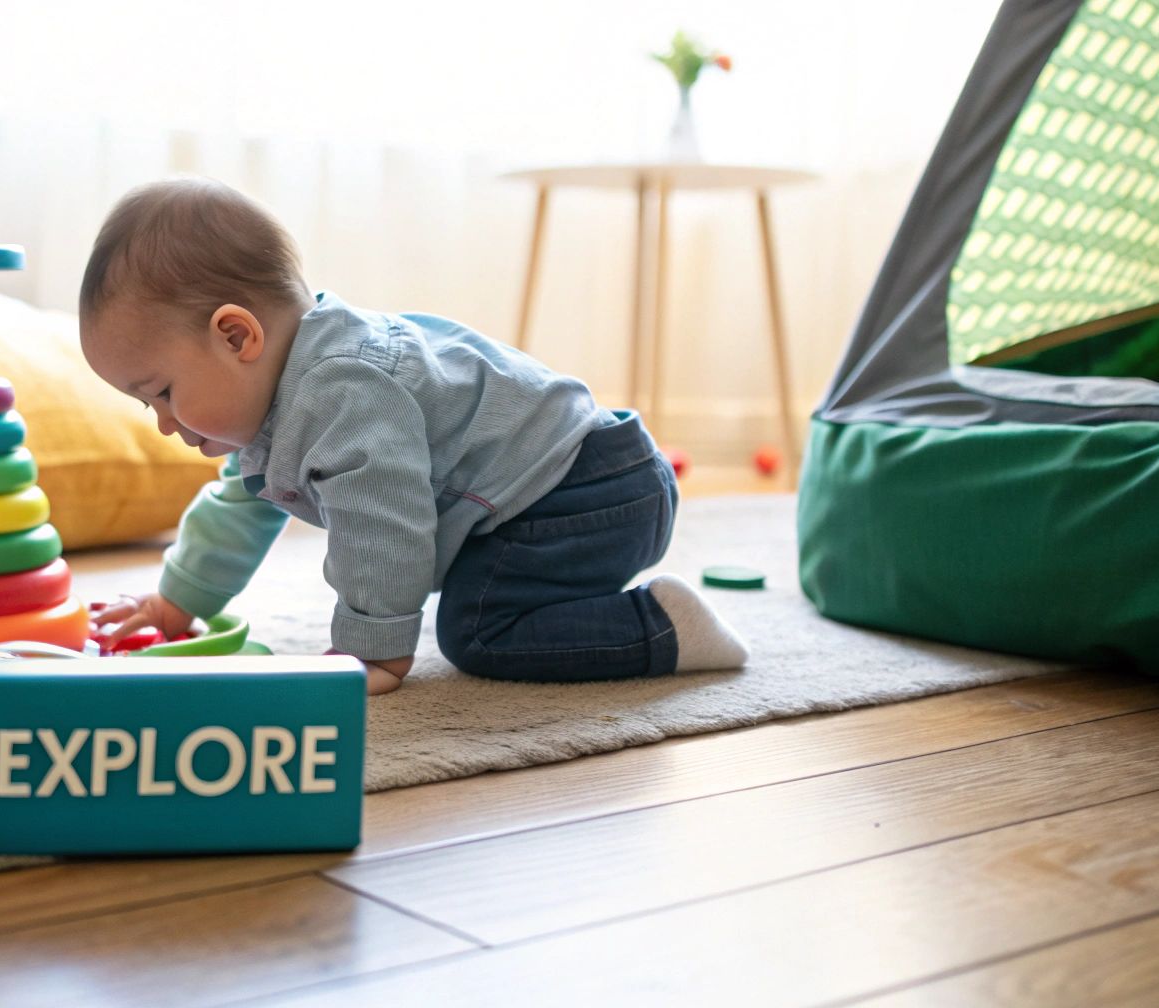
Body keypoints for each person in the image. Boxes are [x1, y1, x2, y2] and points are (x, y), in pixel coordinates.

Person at [79, 177, 747, 695]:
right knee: (482, 594)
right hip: (566, 490)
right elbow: (240, 508)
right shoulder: (282, 397)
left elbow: (383, 518)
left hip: (587, 493)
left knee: (477, 630)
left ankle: (658, 628)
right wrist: (176, 603)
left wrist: (373, 649)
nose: (165, 423)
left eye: (162, 393)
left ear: (236, 336)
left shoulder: (342, 390)